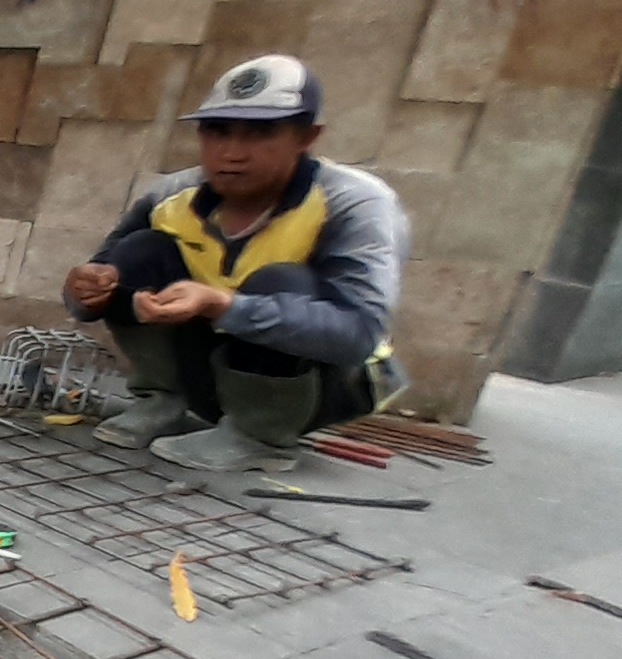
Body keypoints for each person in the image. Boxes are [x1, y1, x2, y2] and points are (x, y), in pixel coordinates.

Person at [63, 54, 409, 474]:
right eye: (217, 131)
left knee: (281, 281)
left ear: (307, 137)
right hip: (213, 369)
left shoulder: (355, 203)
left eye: (260, 133)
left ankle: (260, 436)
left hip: (324, 387)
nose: (231, 152)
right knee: (140, 251)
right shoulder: (174, 194)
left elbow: (357, 334)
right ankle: (163, 401)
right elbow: (93, 291)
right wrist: (85, 287)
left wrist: (225, 306)